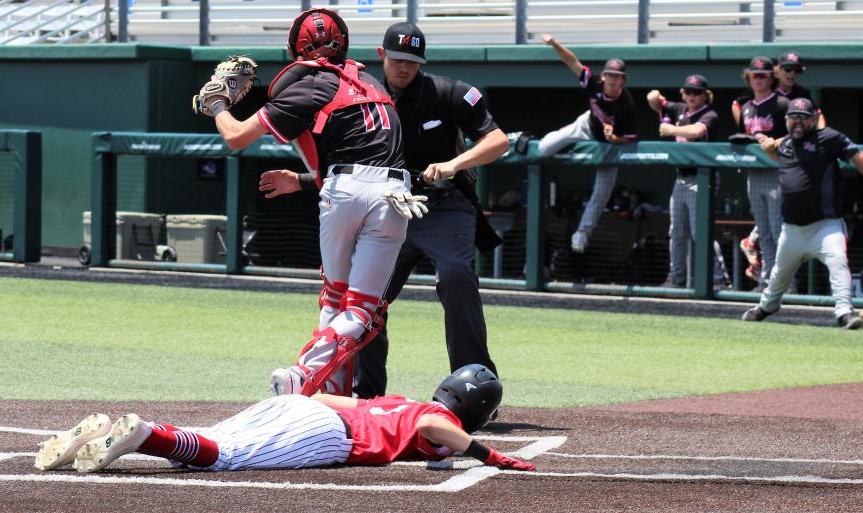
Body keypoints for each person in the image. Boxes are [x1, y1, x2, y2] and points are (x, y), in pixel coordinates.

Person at [196, 8, 426, 397]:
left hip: (345, 192)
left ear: (295, 49)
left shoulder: (309, 86)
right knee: (362, 310)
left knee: (335, 297)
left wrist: (217, 103)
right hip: (394, 196)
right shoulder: (372, 81)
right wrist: (302, 180)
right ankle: (325, 390)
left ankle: (305, 378)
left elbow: (235, 137)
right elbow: (363, 150)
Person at [351, 22, 508, 398]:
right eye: (396, 59)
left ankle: (475, 387)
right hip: (389, 206)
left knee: (455, 276)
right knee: (367, 295)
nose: (403, 67)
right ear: (381, 55)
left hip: (444, 204)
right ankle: (367, 394)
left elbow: (498, 140)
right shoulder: (364, 95)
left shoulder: (447, 92)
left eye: (412, 60)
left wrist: (454, 164)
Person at [33, 364, 536, 473]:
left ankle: (104, 432)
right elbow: (435, 430)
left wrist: (295, 397)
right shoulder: (435, 421)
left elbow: (344, 402)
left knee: (204, 440)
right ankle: (144, 434)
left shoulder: (396, 400)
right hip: (325, 434)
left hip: (309, 409)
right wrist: (489, 454)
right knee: (222, 457)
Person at [742, 98, 863, 329]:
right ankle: (766, 307)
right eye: (794, 117)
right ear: (786, 120)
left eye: (803, 117)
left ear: (813, 119)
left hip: (825, 225)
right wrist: (770, 148)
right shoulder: (786, 143)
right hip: (792, 229)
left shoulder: (828, 137)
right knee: (779, 275)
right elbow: (777, 151)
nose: (798, 121)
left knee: (838, 261)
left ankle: (844, 313)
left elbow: (856, 155)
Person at [537, 34, 637, 254]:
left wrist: (614, 138)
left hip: (608, 146)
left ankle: (582, 234)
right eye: (609, 74)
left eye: (616, 76)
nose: (611, 79)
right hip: (585, 127)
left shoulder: (627, 103)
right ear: (603, 76)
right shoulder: (594, 83)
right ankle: (568, 150)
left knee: (602, 193)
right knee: (543, 148)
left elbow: (629, 138)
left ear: (623, 80)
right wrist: (554, 44)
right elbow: (572, 61)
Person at [647, 75, 730, 289]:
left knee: (700, 231)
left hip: (702, 178)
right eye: (688, 91)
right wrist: (654, 97)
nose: (692, 96)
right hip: (681, 178)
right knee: (676, 232)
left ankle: (719, 280)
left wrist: (671, 130)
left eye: (697, 92)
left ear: (705, 95)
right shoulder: (679, 109)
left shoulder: (709, 114)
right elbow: (655, 101)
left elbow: (696, 131)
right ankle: (676, 278)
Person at [735, 56, 790, 290]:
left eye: (762, 75)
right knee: (764, 231)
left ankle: (787, 283)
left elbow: (797, 134)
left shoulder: (782, 103)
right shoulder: (746, 107)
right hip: (754, 174)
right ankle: (768, 280)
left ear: (771, 78)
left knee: (779, 231)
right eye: (754, 75)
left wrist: (774, 141)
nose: (757, 79)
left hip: (776, 172)